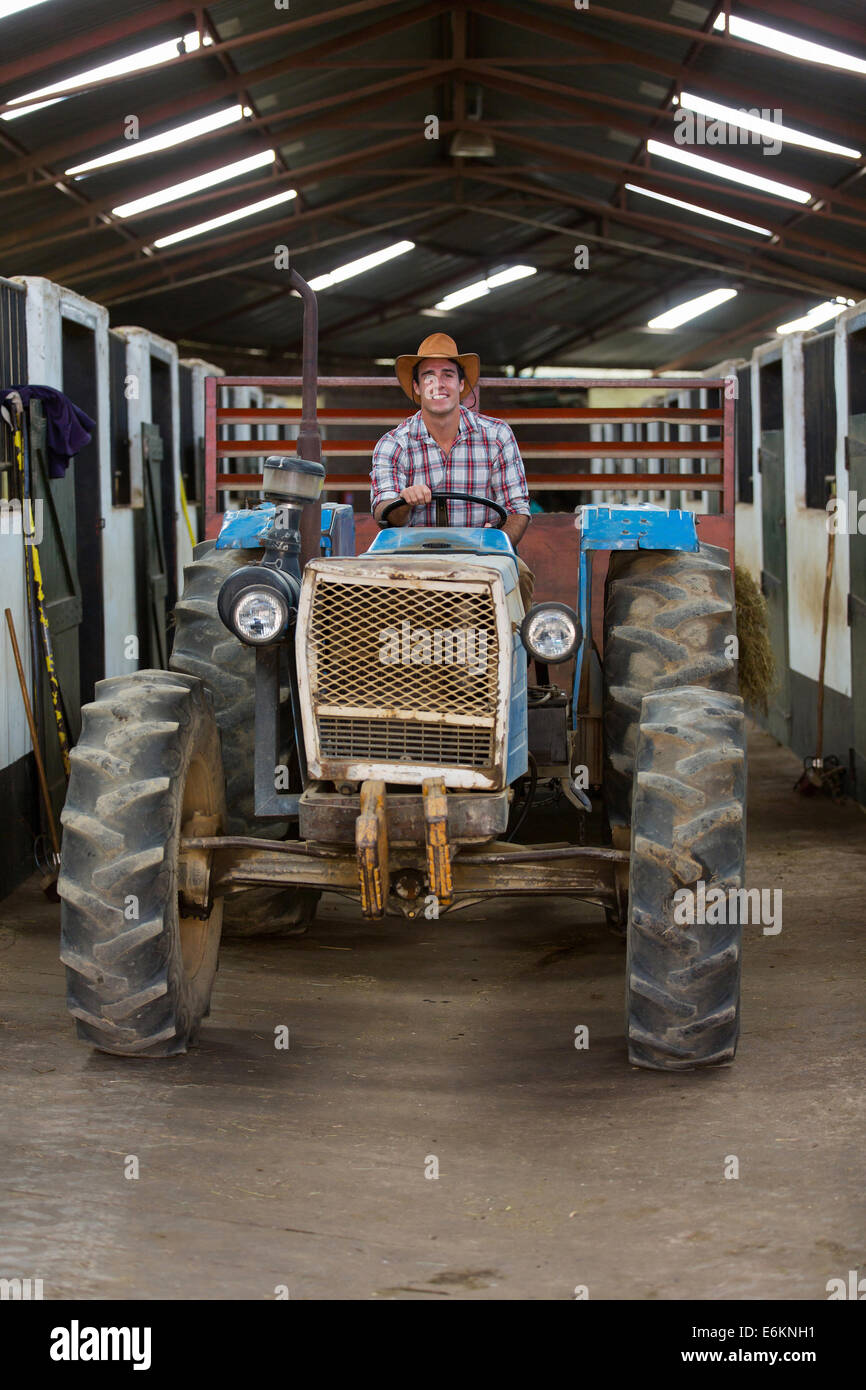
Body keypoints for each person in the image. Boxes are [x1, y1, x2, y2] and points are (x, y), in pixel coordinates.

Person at [370, 333, 535, 609]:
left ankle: (515, 649)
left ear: (461, 384)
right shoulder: (393, 443)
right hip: (412, 560)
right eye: (429, 376)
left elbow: (518, 508)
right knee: (368, 591)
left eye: (447, 374)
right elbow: (383, 511)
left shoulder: (497, 436)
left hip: (483, 556)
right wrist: (404, 500)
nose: (439, 384)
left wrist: (495, 541)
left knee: (521, 576)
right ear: (417, 387)